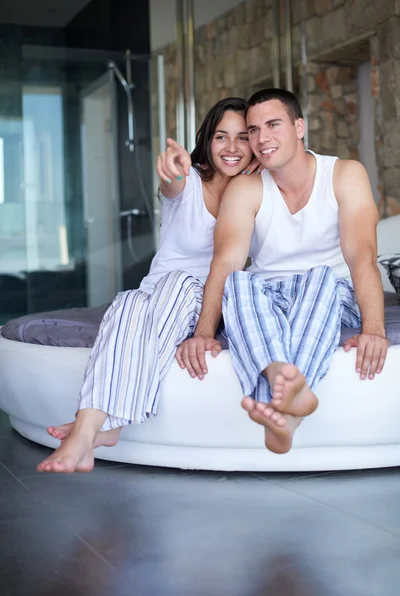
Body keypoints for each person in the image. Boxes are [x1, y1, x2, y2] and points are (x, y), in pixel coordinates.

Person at [37, 97, 259, 473]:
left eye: (242, 137)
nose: (232, 148)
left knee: (175, 285)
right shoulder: (189, 180)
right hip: (154, 293)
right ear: (207, 140)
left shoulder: (258, 191)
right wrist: (171, 173)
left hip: (205, 296)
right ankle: (96, 428)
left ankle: (100, 425)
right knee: (126, 304)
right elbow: (172, 185)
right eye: (221, 136)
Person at [176, 88, 390, 455]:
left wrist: (373, 329)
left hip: (329, 293)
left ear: (299, 127)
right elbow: (225, 263)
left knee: (320, 276)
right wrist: (203, 333)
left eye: (273, 125)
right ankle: (286, 392)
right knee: (239, 283)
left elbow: (362, 257)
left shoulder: (343, 174)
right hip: (268, 296)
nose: (262, 139)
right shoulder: (246, 187)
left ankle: (281, 399)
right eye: (254, 130)